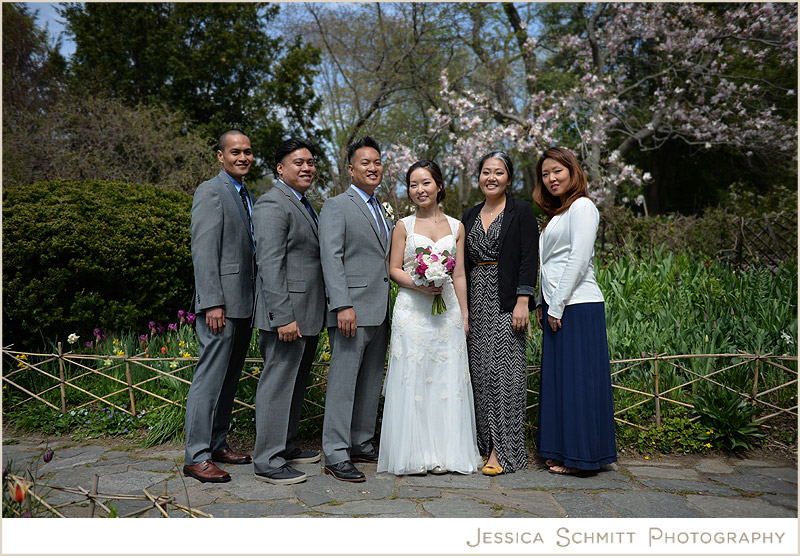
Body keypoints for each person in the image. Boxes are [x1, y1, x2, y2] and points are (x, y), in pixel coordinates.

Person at [377, 160, 482, 476]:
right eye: (413, 184)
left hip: (447, 311)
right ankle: (414, 455)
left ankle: (446, 454)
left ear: (439, 185)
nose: (419, 190)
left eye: (425, 183)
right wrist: (419, 284)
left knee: (445, 378)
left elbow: (459, 274)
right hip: (412, 310)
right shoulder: (403, 226)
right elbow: (394, 269)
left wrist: (464, 315)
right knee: (414, 376)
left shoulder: (457, 226)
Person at [533, 146, 617, 476]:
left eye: (558, 171)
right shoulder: (557, 214)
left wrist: (556, 305)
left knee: (579, 382)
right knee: (563, 383)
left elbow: (578, 259)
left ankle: (583, 458)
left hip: (578, 305)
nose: (551, 178)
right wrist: (541, 302)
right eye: (545, 174)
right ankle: (563, 450)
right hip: (557, 305)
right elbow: (549, 265)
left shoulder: (583, 206)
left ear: (572, 171)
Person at [250, 138, 325, 485]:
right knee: (278, 385)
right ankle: (267, 460)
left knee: (295, 385)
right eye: (299, 162)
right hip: (287, 316)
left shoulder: (303, 203)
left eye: (310, 162)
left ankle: (285, 445)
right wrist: (282, 317)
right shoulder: (272, 204)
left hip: (307, 313)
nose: (307, 168)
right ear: (280, 169)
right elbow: (269, 264)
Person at [183, 129, 256, 483]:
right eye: (235, 152)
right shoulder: (211, 191)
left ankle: (216, 443)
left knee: (229, 379)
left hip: (245, 303)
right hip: (221, 306)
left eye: (247, 152)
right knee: (209, 379)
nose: (242, 157)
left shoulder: (247, 195)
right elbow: (204, 249)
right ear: (220, 155)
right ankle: (196, 457)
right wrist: (212, 302)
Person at [319, 136, 393, 483]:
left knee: (370, 379)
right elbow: (331, 257)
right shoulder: (337, 206)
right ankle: (335, 453)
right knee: (343, 383)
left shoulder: (381, 209)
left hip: (380, 309)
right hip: (351, 310)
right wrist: (342, 304)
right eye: (365, 163)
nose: (373, 168)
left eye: (377, 162)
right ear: (351, 169)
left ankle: (360, 442)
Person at [462, 151, 539, 476]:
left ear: (508, 179)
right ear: (478, 176)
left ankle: (503, 451)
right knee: (480, 374)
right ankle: (483, 445)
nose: (491, 177)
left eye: (498, 172)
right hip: (475, 302)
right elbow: (461, 266)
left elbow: (529, 256)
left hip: (507, 300)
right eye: (485, 172)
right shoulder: (469, 215)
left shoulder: (521, 211)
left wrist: (524, 299)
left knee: (505, 375)